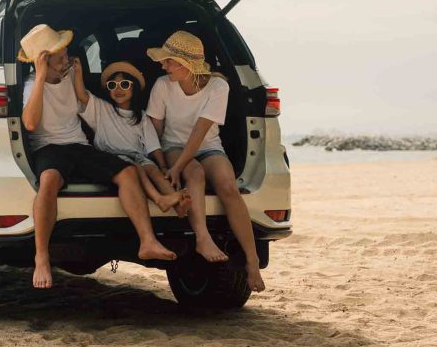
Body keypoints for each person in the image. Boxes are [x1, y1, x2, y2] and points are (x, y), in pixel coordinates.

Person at [19, 24, 176, 289]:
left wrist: (77, 75)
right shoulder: (31, 85)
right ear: (42, 59)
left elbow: (83, 102)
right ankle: (42, 258)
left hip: (79, 145)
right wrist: (41, 76)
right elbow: (31, 123)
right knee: (48, 182)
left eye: (65, 51)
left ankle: (147, 241)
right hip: (49, 148)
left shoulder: (69, 75)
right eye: (60, 53)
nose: (66, 56)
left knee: (127, 172)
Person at [145, 30, 265, 292]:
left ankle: (252, 260)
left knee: (228, 187)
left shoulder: (218, 86)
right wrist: (159, 163)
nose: (163, 66)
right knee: (195, 173)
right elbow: (154, 127)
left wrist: (177, 168)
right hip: (173, 146)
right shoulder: (163, 85)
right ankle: (202, 238)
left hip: (208, 145)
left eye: (168, 61)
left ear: (187, 66)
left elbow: (201, 132)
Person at [69, 58, 191, 218]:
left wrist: (163, 166)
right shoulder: (101, 108)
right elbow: (82, 95)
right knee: (137, 169)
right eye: (112, 85)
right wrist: (78, 73)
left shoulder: (141, 116)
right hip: (114, 157)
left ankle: (178, 204)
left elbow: (153, 145)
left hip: (138, 156)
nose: (118, 89)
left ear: (134, 87)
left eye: (124, 84)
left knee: (154, 171)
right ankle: (159, 199)